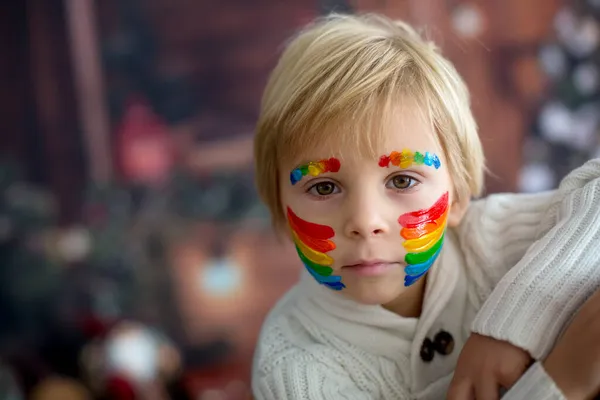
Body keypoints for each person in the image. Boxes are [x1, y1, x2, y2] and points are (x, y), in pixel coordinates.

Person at [251, 13, 600, 399]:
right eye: (324, 186)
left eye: (402, 180)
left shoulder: (488, 241)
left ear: (458, 195)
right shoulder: (294, 365)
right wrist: (561, 381)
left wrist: (513, 323)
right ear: (280, 207)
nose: (365, 222)